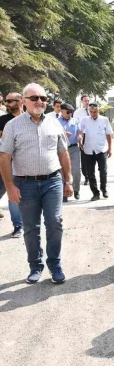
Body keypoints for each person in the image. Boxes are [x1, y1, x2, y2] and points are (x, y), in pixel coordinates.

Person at [0, 83, 73, 284]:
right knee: (31, 227)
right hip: (25, 184)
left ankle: (55, 264)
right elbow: (4, 157)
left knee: (55, 222)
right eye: (34, 98)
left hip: (53, 182)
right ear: (24, 101)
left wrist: (69, 180)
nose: (40, 101)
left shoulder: (54, 123)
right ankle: (35, 266)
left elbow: (63, 153)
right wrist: (9, 186)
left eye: (43, 98)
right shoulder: (12, 126)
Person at [0, 92, 24, 238]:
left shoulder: (28, 119)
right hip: (5, 164)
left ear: (20, 101)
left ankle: (18, 226)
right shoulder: (2, 120)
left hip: (23, 165)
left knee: (14, 195)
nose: (7, 104)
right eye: (6, 101)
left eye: (10, 101)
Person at [78, 103, 112, 201]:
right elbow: (80, 131)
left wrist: (110, 148)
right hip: (88, 150)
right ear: (89, 111)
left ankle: (104, 189)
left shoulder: (104, 120)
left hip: (101, 150)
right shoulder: (84, 120)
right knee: (90, 173)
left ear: (98, 110)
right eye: (91, 112)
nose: (93, 114)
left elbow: (109, 134)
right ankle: (95, 193)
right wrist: (80, 138)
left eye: (95, 111)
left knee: (103, 171)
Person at [58, 103, 81, 201]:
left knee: (76, 170)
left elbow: (79, 131)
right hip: (62, 149)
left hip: (74, 148)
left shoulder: (75, 121)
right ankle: (64, 193)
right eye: (67, 112)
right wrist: (63, 135)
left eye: (71, 112)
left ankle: (76, 190)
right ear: (61, 111)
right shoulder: (55, 122)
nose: (69, 114)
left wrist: (80, 136)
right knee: (63, 171)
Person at [74, 94, 90, 185]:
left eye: (88, 100)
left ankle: (91, 174)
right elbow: (76, 125)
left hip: (92, 136)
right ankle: (86, 176)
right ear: (81, 101)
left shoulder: (92, 110)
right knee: (84, 158)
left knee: (92, 156)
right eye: (85, 101)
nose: (87, 102)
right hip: (83, 136)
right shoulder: (77, 112)